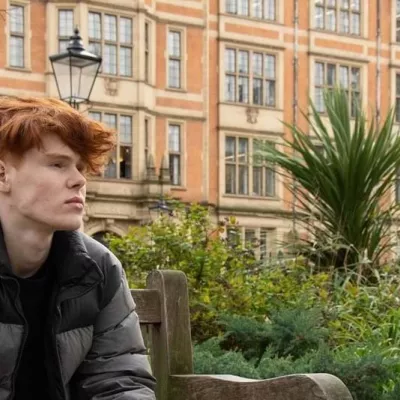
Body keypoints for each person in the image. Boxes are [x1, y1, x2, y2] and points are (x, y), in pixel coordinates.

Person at [0, 97, 156, 399]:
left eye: (80, 167)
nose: (79, 180)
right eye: (58, 164)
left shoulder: (99, 268)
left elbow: (119, 379)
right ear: (3, 174)